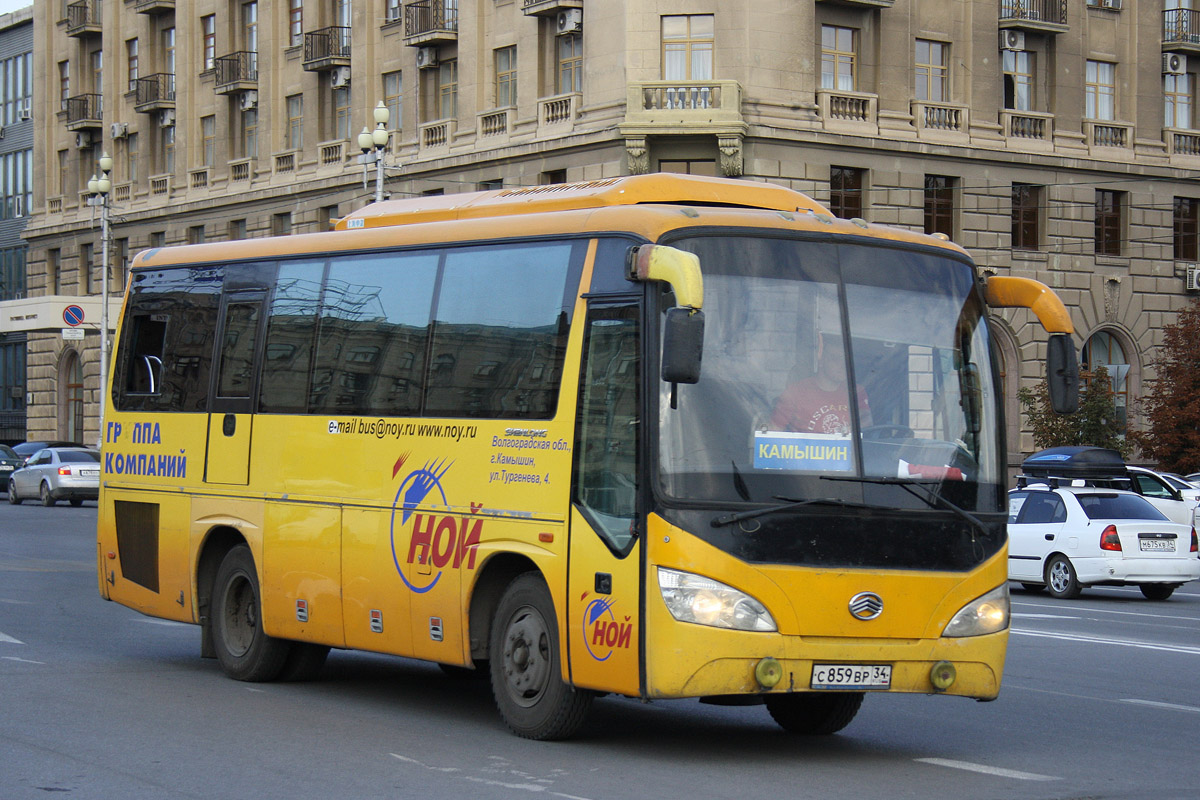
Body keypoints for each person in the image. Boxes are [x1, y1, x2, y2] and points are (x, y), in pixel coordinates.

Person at [769, 333, 871, 435]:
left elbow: (866, 419)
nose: (842, 364)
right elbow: (774, 430)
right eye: (835, 359)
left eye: (845, 359)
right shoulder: (795, 392)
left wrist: (851, 430)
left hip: (847, 451)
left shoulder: (856, 392)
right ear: (821, 361)